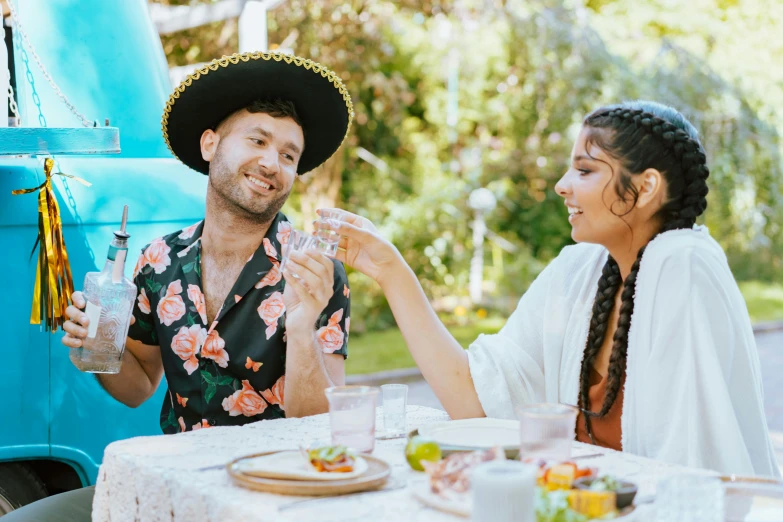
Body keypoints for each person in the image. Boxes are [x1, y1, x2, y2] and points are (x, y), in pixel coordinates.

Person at [319, 100, 781, 477]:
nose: (562, 186)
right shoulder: (579, 271)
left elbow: (688, 467)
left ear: (644, 189)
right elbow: (475, 400)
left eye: (584, 170)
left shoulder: (683, 263)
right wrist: (391, 272)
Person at [3, 53, 353, 521]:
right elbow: (139, 385)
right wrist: (96, 349)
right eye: (258, 140)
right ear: (210, 144)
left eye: (289, 155)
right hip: (176, 484)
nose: (272, 162)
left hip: (275, 494)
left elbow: (321, 426)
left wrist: (304, 319)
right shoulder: (158, 260)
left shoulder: (314, 270)